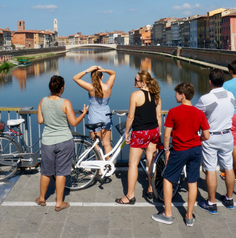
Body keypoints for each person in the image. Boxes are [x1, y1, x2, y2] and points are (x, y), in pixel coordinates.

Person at [151, 82, 210, 226]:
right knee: (192, 181)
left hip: (180, 150)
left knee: (167, 178)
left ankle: (168, 214)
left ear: (182, 95)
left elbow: (166, 136)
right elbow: (207, 136)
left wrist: (166, 151)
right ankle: (189, 217)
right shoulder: (199, 113)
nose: (175, 96)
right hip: (195, 150)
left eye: (176, 93)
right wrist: (197, 139)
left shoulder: (173, 112)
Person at [36, 75, 88, 212]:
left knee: (46, 171)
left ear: (50, 87)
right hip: (64, 141)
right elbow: (74, 122)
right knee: (61, 172)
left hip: (47, 141)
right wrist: (83, 114)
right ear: (62, 88)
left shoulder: (43, 101)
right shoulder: (65, 103)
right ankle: (59, 203)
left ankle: (42, 198)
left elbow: (40, 121)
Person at [115, 70, 161, 204]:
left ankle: (130, 195)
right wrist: (158, 132)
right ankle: (151, 189)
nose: (134, 82)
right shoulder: (156, 95)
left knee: (133, 164)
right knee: (152, 162)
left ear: (143, 82)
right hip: (153, 131)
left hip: (140, 132)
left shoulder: (135, 95)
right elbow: (158, 116)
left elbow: (130, 116)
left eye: (136, 80)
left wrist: (126, 132)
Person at [195, 68, 236, 214]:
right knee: (228, 167)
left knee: (211, 169)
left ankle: (211, 203)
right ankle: (229, 199)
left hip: (211, 136)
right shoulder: (231, 95)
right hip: (227, 135)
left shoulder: (206, 99)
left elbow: (196, 114)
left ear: (210, 82)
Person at [73, 65, 116, 156]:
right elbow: (113, 73)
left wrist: (87, 70)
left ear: (92, 77)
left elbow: (75, 78)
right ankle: (107, 168)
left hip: (94, 117)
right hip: (106, 116)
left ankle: (99, 169)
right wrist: (104, 69)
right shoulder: (108, 86)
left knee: (96, 145)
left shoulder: (91, 88)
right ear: (102, 76)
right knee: (107, 144)